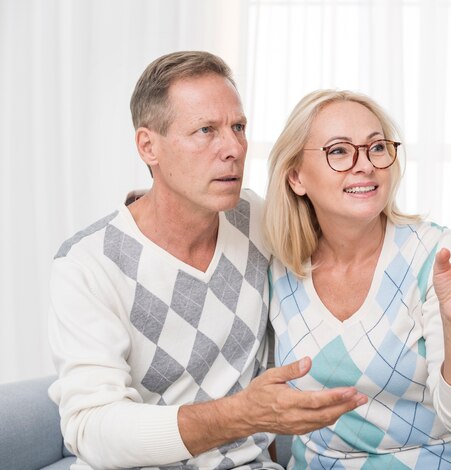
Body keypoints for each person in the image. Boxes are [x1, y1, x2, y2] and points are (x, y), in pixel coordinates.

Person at [48, 52, 367, 470]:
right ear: (149, 146)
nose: (233, 148)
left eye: (238, 127)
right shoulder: (87, 265)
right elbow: (92, 429)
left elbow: (348, 241)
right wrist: (240, 415)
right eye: (206, 131)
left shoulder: (258, 220)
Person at [263, 89, 451, 469]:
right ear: (295, 177)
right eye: (339, 150)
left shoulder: (435, 253)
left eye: (377, 148)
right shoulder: (278, 263)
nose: (366, 165)